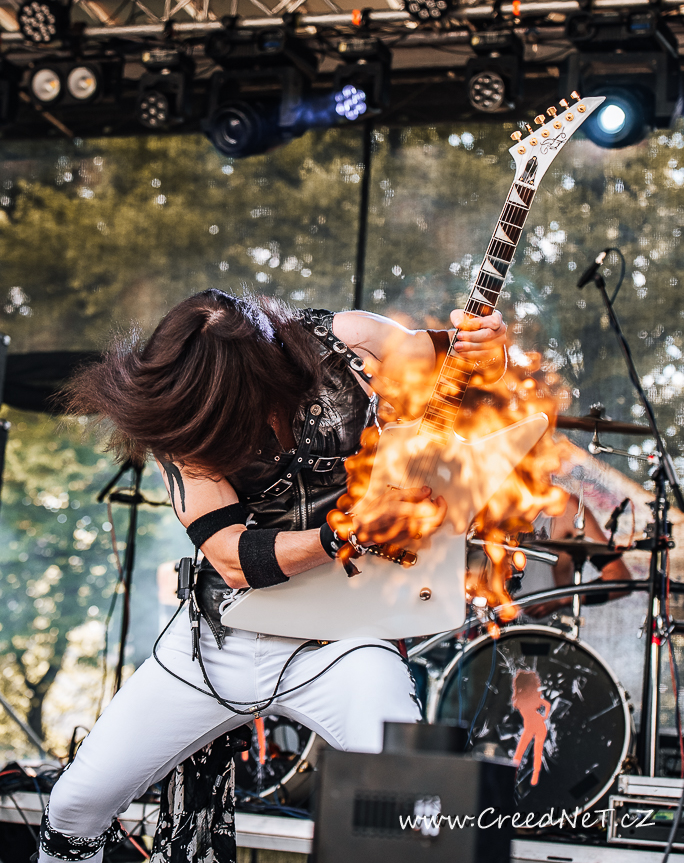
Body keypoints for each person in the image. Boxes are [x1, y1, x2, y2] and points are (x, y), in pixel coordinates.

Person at [38, 290, 508, 863]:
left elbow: (466, 367)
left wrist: (490, 348)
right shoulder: (179, 418)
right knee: (74, 807)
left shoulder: (351, 342)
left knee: (409, 809)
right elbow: (233, 558)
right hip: (221, 640)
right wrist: (345, 534)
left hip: (346, 638)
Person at [516, 493, 632, 619]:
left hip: (549, 627)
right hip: (501, 626)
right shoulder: (499, 508)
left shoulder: (565, 509)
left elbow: (619, 577)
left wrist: (562, 599)